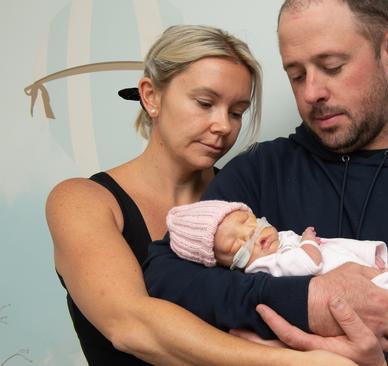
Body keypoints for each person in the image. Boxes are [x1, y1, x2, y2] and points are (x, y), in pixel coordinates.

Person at [144, 1, 388, 365]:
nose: (312, 92)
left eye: (332, 66)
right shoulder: (261, 170)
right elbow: (165, 276)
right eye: (296, 75)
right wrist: (307, 300)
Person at [46, 25, 355, 366]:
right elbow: (131, 326)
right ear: (151, 96)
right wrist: (294, 363)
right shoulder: (83, 201)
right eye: (205, 103)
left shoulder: (248, 199)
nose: (223, 126)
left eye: (237, 112)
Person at [165, 199, 388, 352]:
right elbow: (308, 264)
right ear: (228, 264)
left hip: (372, 283)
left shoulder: (278, 241)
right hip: (365, 305)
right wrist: (307, 242)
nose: (250, 235)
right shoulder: (262, 267)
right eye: (235, 243)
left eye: (247, 222)